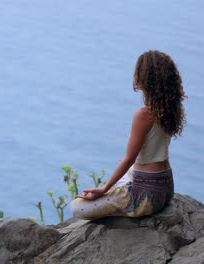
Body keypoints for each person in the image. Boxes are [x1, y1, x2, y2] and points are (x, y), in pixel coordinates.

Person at [70, 50, 186, 220]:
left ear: (145, 78)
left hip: (145, 197)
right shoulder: (171, 108)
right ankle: (122, 187)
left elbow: (129, 158)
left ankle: (120, 192)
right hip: (165, 188)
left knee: (77, 208)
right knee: (126, 168)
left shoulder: (143, 115)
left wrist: (104, 189)